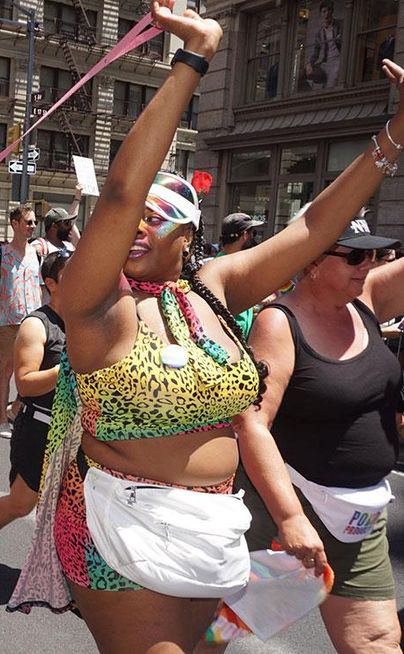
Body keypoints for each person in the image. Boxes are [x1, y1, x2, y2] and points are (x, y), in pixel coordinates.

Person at [35, 2, 404, 648]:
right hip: (121, 530)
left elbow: (316, 226)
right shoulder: (98, 310)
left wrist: (397, 132)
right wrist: (195, 58)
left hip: (211, 532)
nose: (136, 226)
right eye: (131, 219)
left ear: (188, 232)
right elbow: (121, 194)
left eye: (159, 217)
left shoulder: (213, 291)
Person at [232, 217, 404, 653]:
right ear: (309, 262)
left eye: (373, 254)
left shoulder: (366, 299)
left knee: (377, 640)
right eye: (354, 255)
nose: (368, 264)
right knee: (219, 630)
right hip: (286, 508)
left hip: (359, 514)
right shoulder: (277, 323)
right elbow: (253, 422)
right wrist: (291, 519)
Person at [0, 250, 69, 570]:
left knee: (72, 506)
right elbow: (25, 384)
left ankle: (69, 576)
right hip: (39, 427)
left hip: (78, 430)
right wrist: (68, 368)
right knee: (22, 503)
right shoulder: (37, 325)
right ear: (52, 284)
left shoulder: (91, 321)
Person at [0, 204, 42, 438]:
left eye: (34, 222)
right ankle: (2, 418)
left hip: (33, 322)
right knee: (7, 369)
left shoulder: (37, 253)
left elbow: (43, 288)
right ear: (15, 224)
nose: (33, 226)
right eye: (28, 222)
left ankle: (15, 409)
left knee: (33, 370)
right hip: (6, 320)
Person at [216, 212, 267, 338]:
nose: (253, 238)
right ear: (244, 235)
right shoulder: (230, 267)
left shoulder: (221, 263)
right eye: (252, 233)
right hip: (233, 341)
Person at [33, 184, 83, 258]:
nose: (70, 227)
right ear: (54, 226)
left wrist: (77, 198)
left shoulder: (70, 247)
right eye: (66, 223)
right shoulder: (39, 248)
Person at [306, 0, 342, 90]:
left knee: (331, 85)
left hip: (337, 60)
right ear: (321, 14)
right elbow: (316, 52)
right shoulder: (320, 32)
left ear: (332, 12)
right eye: (324, 11)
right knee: (306, 75)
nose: (327, 14)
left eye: (329, 11)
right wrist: (309, 64)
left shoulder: (339, 25)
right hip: (325, 62)